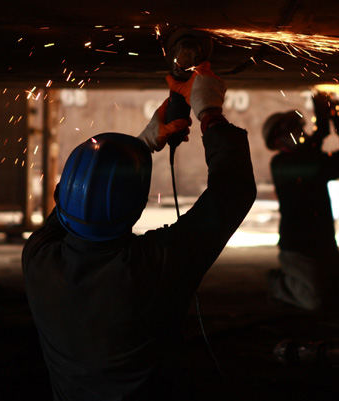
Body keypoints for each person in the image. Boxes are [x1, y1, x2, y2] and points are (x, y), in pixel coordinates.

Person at [22, 62, 256, 400]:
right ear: (137, 208)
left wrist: (142, 145)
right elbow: (232, 191)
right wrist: (209, 112)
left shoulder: (38, 255)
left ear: (60, 195)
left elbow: (82, 196)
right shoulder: (150, 267)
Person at [263, 92, 339, 311]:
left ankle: (316, 279)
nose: (299, 133)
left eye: (299, 128)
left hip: (325, 246)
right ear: (278, 140)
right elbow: (311, 158)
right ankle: (281, 283)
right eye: (293, 130)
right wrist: (323, 124)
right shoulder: (282, 165)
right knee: (317, 301)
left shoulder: (311, 160)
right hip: (298, 251)